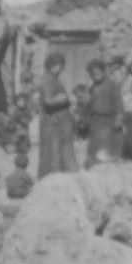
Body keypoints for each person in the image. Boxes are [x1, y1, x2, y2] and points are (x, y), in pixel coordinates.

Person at [36, 50, 77, 178]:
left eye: (60, 65)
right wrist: (64, 98)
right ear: (50, 65)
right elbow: (48, 101)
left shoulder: (55, 80)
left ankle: (60, 174)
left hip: (59, 122)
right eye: (56, 65)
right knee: (53, 151)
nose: (59, 68)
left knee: (60, 150)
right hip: (52, 121)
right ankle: (52, 176)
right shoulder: (47, 80)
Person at [85, 57, 125, 166]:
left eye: (98, 72)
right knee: (94, 153)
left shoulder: (112, 85)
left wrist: (119, 118)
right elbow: (89, 106)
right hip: (96, 122)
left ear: (103, 71)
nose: (96, 75)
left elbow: (118, 102)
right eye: (93, 74)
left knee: (105, 152)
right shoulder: (92, 87)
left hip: (108, 121)